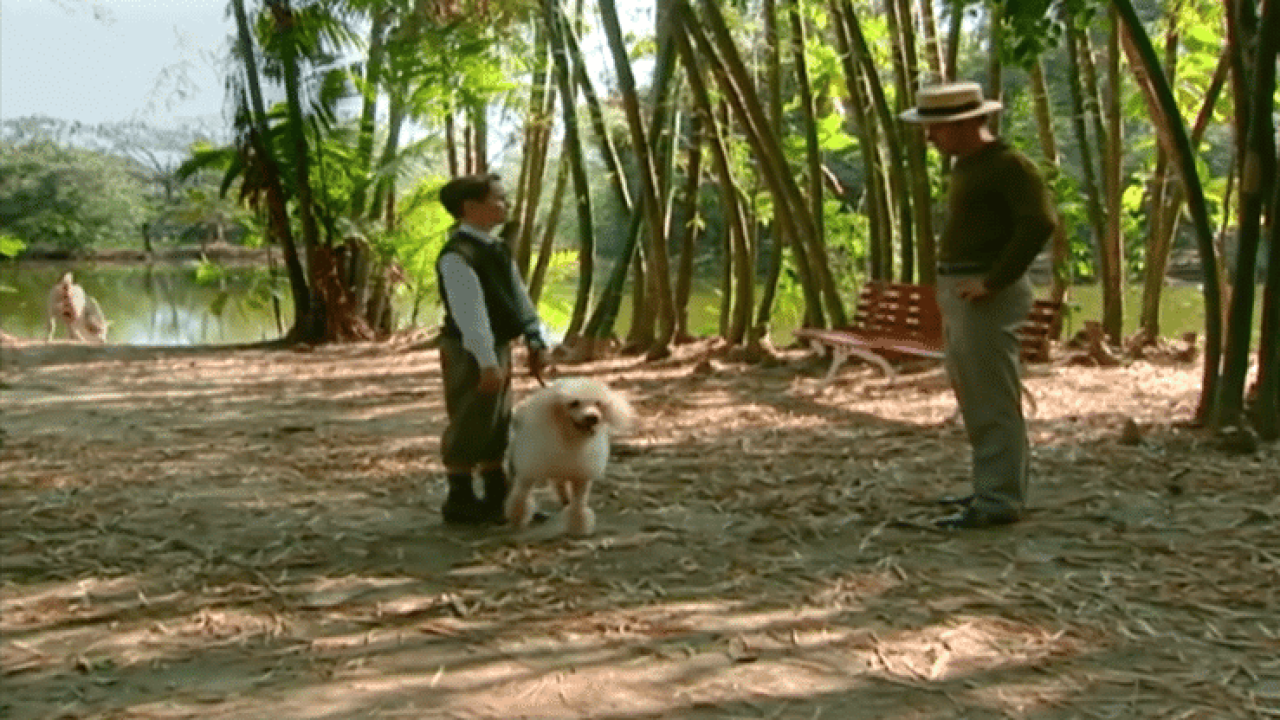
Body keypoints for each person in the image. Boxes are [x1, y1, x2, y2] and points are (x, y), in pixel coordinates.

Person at [900, 81, 1057, 529]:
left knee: (992, 399)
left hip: (986, 295)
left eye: (938, 128)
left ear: (968, 123)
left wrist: (993, 280)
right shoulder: (967, 167)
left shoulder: (1010, 167)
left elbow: (1039, 223)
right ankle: (993, 487)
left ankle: (999, 501)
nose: (930, 138)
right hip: (961, 290)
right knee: (974, 395)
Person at [435, 173, 551, 525]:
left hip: (496, 345)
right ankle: (460, 497)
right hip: (469, 349)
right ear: (470, 208)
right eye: (497, 199)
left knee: (497, 417)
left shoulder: (495, 248)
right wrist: (486, 361)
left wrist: (535, 337)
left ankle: (498, 494)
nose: (505, 204)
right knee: (471, 416)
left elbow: (517, 296)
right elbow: (471, 315)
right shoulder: (458, 255)